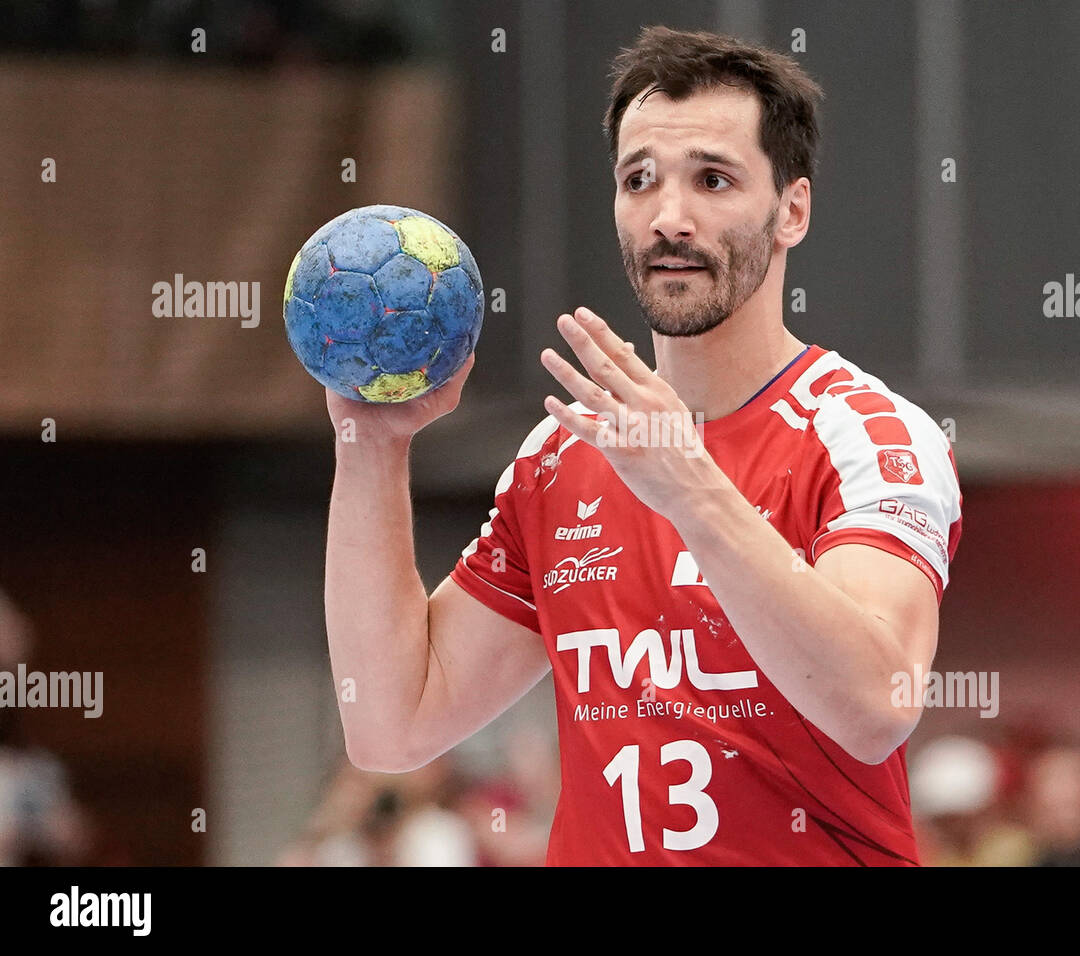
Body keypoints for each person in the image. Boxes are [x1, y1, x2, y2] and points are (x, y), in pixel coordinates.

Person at [324, 25, 962, 865]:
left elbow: (877, 706)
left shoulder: (865, 435)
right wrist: (371, 445)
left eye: (713, 179)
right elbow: (390, 722)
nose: (669, 218)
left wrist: (691, 491)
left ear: (792, 210)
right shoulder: (560, 456)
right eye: (639, 181)